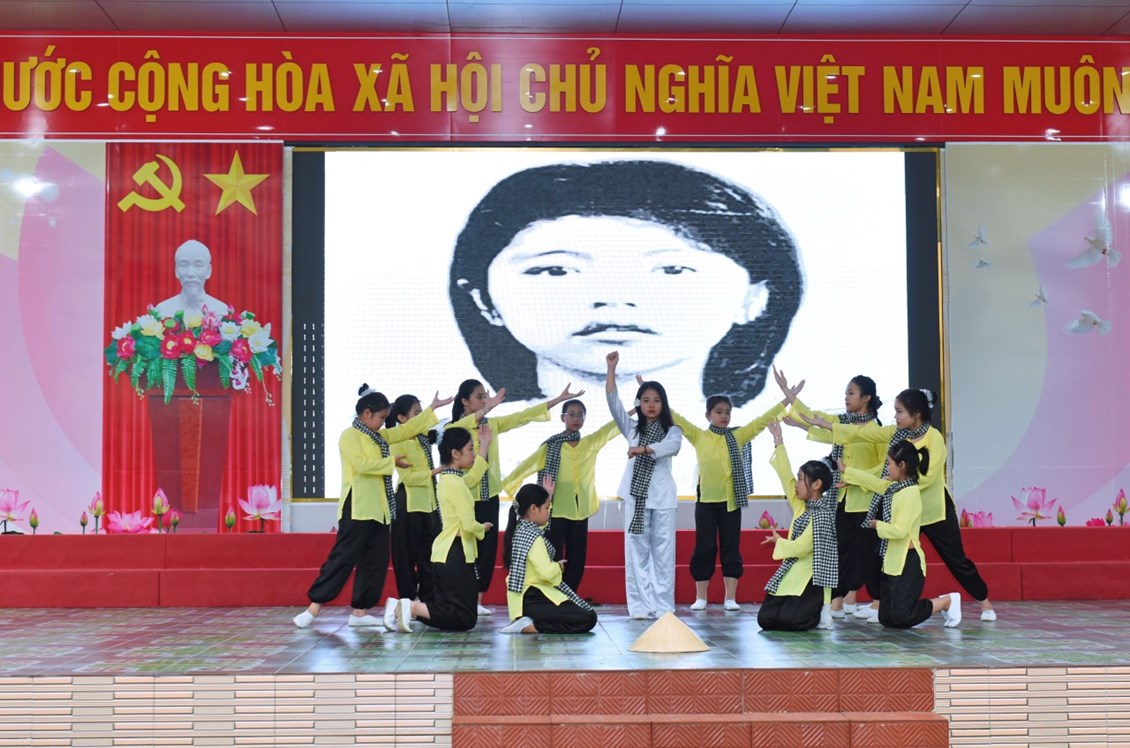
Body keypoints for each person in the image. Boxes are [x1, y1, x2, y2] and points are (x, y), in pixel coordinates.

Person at [448, 159, 803, 409]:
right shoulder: (482, 435)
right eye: (556, 270)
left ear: (756, 298)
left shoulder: (757, 435)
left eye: (672, 270)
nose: (614, 299)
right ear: (483, 299)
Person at [800, 387, 995, 621]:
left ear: (916, 413)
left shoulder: (934, 438)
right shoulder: (897, 434)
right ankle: (880, 605)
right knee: (879, 554)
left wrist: (889, 484)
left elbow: (927, 478)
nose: (896, 416)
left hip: (934, 511)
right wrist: (827, 425)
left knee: (956, 560)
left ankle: (985, 603)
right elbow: (863, 434)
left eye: (900, 411)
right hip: (902, 508)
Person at [292, 385, 451, 629]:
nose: (383, 423)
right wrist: (391, 462)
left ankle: (360, 612)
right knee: (343, 558)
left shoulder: (379, 437)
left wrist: (432, 409)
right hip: (357, 508)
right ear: (366, 414)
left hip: (380, 510)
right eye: (381, 417)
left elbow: (407, 430)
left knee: (375, 563)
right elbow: (362, 465)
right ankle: (313, 608)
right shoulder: (349, 436)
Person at [446, 379, 583, 616]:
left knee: (487, 551)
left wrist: (557, 400)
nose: (484, 400)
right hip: (464, 496)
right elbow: (456, 429)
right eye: (479, 397)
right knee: (464, 549)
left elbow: (524, 416)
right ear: (465, 401)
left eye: (485, 396)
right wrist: (487, 408)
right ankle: (460, 598)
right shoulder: (455, 428)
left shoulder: (492, 424)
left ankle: (477, 600)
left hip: (489, 496)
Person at [674, 378, 799, 612]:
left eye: (728, 412)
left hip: (731, 503)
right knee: (704, 549)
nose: (724, 416)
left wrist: (787, 399)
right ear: (708, 415)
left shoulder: (737, 436)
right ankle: (701, 597)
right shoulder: (699, 436)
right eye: (719, 412)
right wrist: (653, 393)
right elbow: (676, 417)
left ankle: (730, 598)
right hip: (706, 503)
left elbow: (762, 420)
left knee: (731, 548)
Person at [782, 374, 886, 619]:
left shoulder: (876, 431)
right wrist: (788, 392)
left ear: (866, 398)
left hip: (866, 501)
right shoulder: (841, 423)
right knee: (839, 551)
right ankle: (836, 601)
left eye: (851, 393)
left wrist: (855, 477)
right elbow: (814, 417)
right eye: (846, 393)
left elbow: (883, 467)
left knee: (867, 554)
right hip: (842, 499)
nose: (846, 397)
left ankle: (879, 603)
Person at [386, 390, 504, 602]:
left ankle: (427, 602)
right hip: (409, 503)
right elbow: (408, 478)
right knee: (405, 557)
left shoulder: (424, 438)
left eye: (422, 412)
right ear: (401, 418)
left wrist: (484, 439)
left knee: (427, 558)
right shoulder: (397, 440)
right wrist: (436, 472)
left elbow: (458, 428)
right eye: (417, 413)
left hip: (430, 503)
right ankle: (407, 602)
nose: (422, 417)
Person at [838, 440, 961, 629]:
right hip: (891, 560)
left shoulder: (910, 493)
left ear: (901, 465)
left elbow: (899, 530)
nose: (887, 468)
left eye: (889, 463)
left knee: (901, 616)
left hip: (908, 561)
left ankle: (946, 601)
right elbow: (873, 482)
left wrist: (877, 525)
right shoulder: (894, 489)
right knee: (886, 618)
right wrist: (848, 472)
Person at [502, 399, 620, 594]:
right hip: (556, 509)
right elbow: (529, 464)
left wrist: (634, 410)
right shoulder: (552, 446)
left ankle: (569, 596)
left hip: (581, 509)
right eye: (571, 414)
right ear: (562, 418)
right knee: (554, 554)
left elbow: (612, 427)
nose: (576, 418)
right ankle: (552, 595)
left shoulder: (590, 442)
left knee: (577, 558)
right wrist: (509, 484)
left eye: (580, 415)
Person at [386, 423, 494, 633]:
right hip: (456, 553)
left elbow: (473, 478)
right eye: (470, 449)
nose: (473, 454)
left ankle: (407, 608)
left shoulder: (449, 479)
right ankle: (411, 607)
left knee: (461, 615)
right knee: (465, 617)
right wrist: (483, 528)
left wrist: (484, 446)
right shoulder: (455, 483)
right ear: (455, 453)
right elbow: (468, 524)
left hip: (447, 553)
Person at [605, 350, 683, 619]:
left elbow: (672, 447)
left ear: (664, 404)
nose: (651, 405)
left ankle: (663, 607)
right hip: (635, 498)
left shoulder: (673, 431)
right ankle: (639, 607)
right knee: (636, 553)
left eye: (656, 400)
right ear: (639, 403)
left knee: (663, 554)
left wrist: (645, 450)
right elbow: (613, 402)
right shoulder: (632, 428)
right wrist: (611, 369)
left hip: (662, 499)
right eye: (646, 400)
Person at [758, 420, 837, 632]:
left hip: (811, 576)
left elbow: (802, 547)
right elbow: (785, 475)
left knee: (791, 621)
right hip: (792, 570)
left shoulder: (823, 514)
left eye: (801, 479)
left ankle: (821, 612)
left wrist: (779, 541)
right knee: (766, 619)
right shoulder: (802, 505)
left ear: (817, 484)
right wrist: (778, 440)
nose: (796, 484)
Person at [500, 480, 599, 634]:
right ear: (533, 509)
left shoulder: (522, 530)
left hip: (526, 598)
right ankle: (530, 626)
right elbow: (546, 573)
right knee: (588, 617)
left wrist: (548, 496)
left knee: (584, 614)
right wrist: (557, 566)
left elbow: (543, 523)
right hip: (532, 598)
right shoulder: (533, 537)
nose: (548, 512)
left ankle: (527, 621)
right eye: (546, 508)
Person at [153, 239, 230, 318]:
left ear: (208, 271)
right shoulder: (163, 311)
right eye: (183, 265)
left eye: (198, 265)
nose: (190, 274)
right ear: (176, 271)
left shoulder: (221, 311)